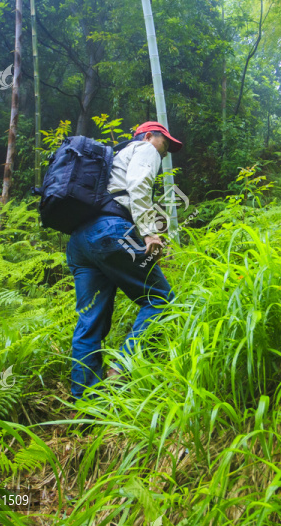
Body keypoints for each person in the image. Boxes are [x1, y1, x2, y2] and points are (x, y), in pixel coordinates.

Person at [66, 121, 183, 401]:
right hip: (110, 230)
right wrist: (150, 234)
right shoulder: (144, 148)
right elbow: (139, 186)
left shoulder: (111, 161)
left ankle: (83, 403)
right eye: (165, 144)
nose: (165, 153)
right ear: (148, 135)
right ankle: (120, 368)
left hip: (80, 241)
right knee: (161, 301)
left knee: (89, 320)